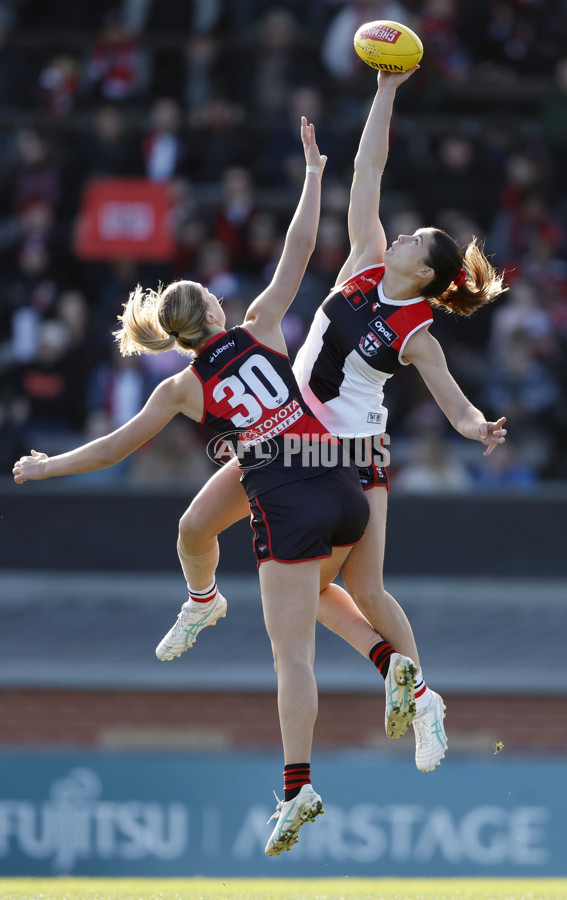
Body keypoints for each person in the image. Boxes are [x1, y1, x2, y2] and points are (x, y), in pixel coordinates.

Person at [12, 118, 416, 857]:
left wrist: (44, 468)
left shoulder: (181, 388)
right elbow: (297, 250)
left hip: (284, 497)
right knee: (196, 529)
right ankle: (352, 650)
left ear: (173, 336)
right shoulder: (262, 325)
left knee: (291, 654)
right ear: (218, 312)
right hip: (342, 478)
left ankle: (299, 786)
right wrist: (312, 176)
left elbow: (112, 450)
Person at [154, 68, 508, 776]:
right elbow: (367, 166)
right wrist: (386, 91)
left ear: (426, 269)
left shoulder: (416, 329)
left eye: (415, 240)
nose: (401, 235)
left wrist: (474, 428)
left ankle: (423, 697)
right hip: (287, 440)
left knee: (356, 591)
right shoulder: (362, 267)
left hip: (352, 455)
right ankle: (211, 603)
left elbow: (449, 393)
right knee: (199, 529)